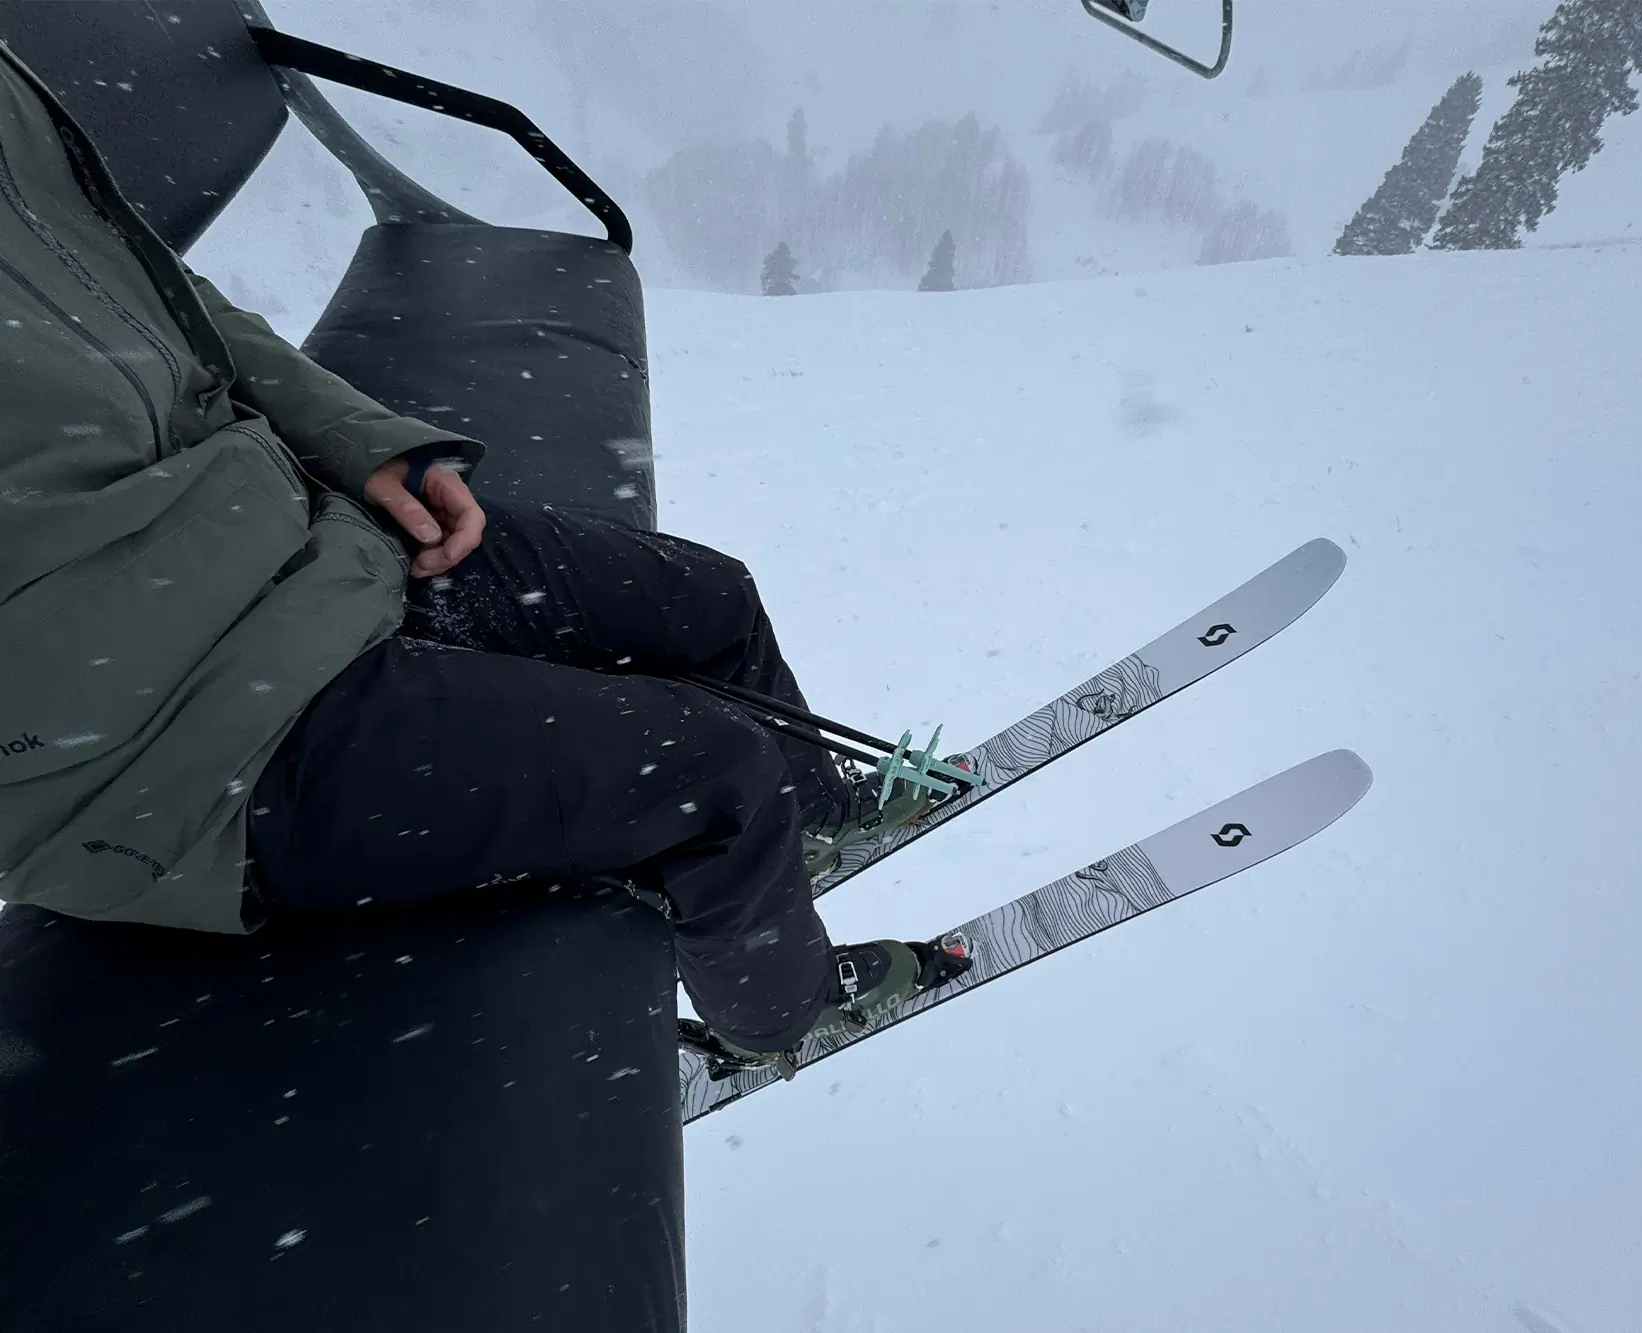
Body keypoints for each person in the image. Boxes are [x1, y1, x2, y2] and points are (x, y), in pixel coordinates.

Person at [0, 40, 960, 1063]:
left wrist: (362, 444)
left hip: (307, 547)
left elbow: (165, 298)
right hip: (171, 751)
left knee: (708, 601)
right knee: (715, 775)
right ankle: (779, 1013)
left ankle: (811, 822)